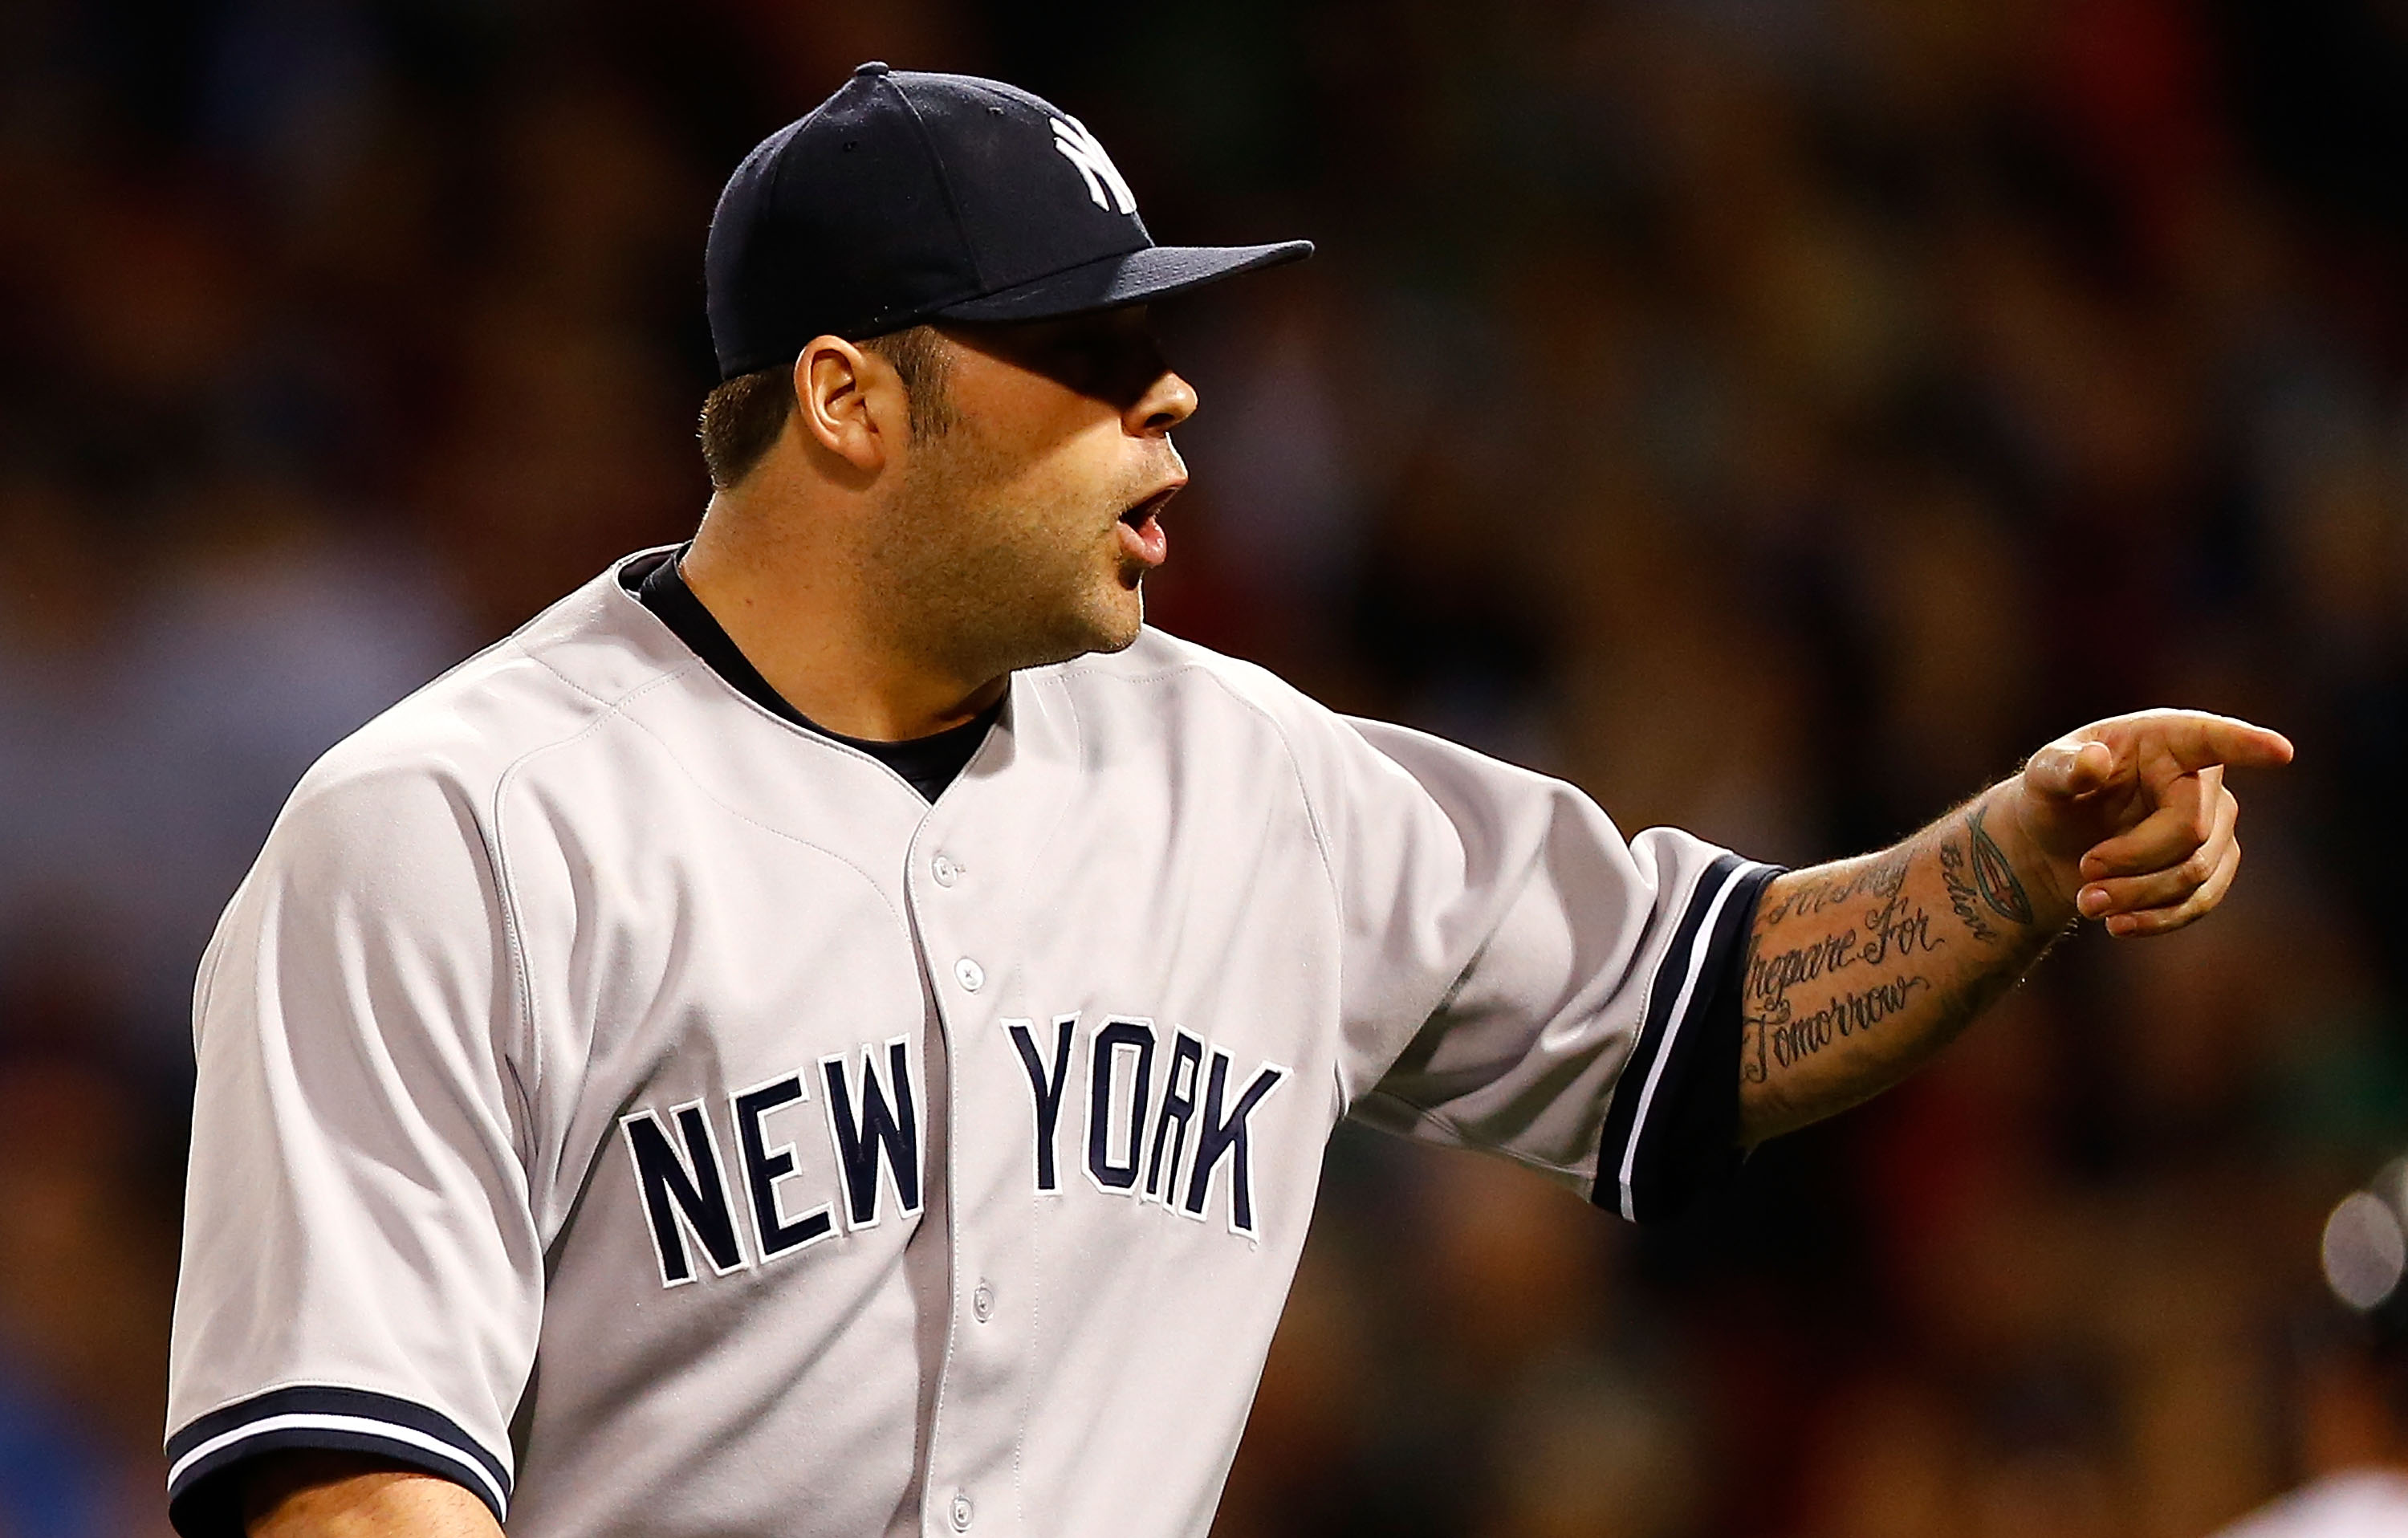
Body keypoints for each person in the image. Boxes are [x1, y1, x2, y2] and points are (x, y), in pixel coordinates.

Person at [163, 65, 2292, 1538]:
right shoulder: (455, 832)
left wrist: (2005, 862)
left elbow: (1700, 1010)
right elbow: (357, 1482)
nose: (1170, 392)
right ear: (843, 400)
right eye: (1089, 350)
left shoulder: (1250, 779)